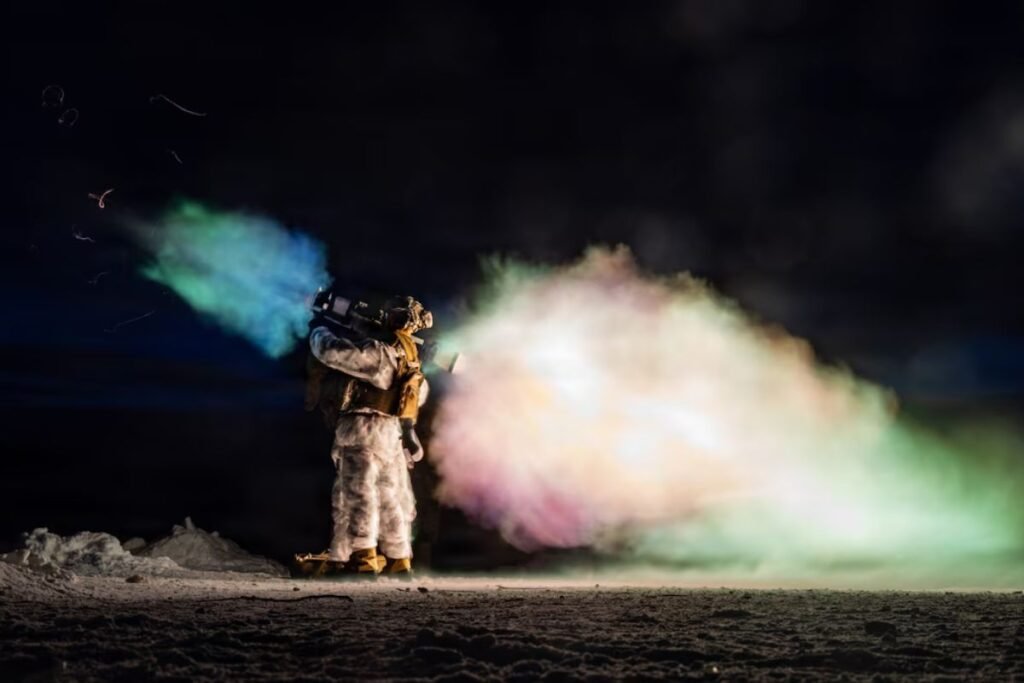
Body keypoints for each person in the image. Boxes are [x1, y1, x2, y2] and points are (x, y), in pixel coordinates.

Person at [299, 296, 431, 577]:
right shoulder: (410, 358)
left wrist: (319, 329)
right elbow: (418, 396)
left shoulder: (380, 353)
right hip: (390, 434)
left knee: (357, 493)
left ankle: (363, 557)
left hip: (363, 431)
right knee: (392, 496)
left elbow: (333, 353)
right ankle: (398, 558)